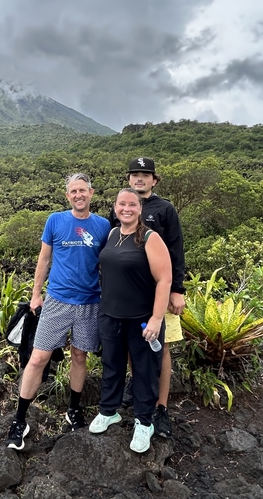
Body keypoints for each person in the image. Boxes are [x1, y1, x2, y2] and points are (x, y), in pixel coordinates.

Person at [6, 173, 111, 450]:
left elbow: (107, 265)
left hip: (90, 301)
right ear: (68, 196)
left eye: (83, 190)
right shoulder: (55, 220)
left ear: (91, 193)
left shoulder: (102, 225)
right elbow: (44, 258)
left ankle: (73, 409)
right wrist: (35, 294)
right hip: (58, 300)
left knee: (79, 355)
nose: (78, 195)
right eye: (73, 191)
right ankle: (20, 419)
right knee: (38, 357)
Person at [89, 188, 172, 453]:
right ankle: (109, 410)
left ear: (140, 209)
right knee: (111, 365)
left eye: (132, 204)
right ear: (115, 208)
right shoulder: (113, 234)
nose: (126, 208)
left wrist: (157, 318)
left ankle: (144, 421)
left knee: (145, 371)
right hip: (111, 315)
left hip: (142, 319)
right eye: (121, 204)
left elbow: (164, 280)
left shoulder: (150, 238)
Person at [111, 157, 186, 438]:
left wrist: (177, 290)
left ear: (154, 180)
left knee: (161, 347)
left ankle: (160, 407)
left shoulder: (165, 209)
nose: (139, 178)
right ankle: (138, 386)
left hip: (159, 292)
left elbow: (176, 250)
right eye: (135, 174)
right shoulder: (120, 208)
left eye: (145, 174)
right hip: (129, 294)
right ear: (129, 179)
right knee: (133, 345)